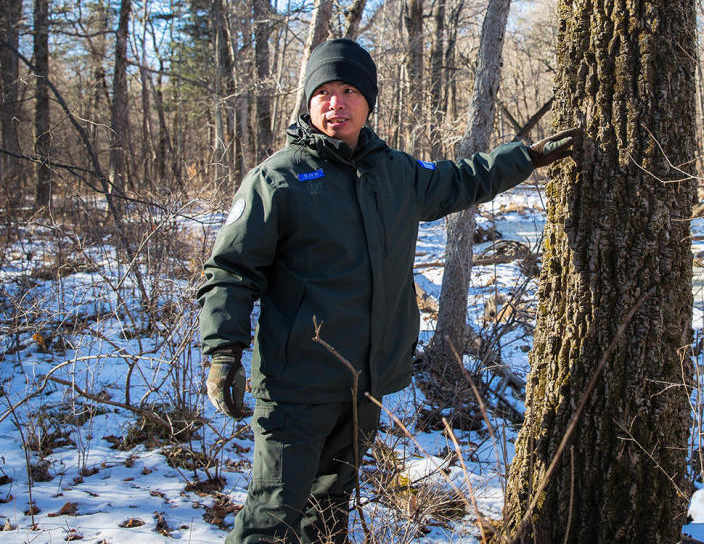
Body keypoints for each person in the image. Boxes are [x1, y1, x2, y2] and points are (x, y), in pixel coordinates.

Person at [198, 38, 575, 543]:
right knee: (271, 517)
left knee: (330, 510)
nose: (336, 104)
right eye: (324, 92)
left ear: (368, 101)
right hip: (297, 388)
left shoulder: (393, 172)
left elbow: (462, 179)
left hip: (364, 382)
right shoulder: (277, 180)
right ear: (308, 102)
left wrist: (525, 158)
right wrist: (224, 351)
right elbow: (231, 269)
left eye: (349, 90)